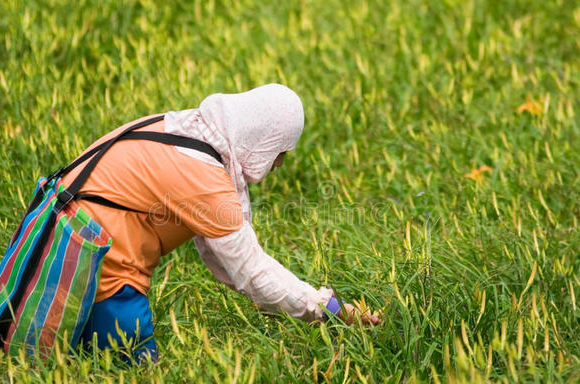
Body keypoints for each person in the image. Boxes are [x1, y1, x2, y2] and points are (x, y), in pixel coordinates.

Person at [64, 84, 380, 362]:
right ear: (261, 137)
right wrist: (331, 310)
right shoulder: (204, 177)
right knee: (135, 377)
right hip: (104, 272)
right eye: (280, 151)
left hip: (69, 247)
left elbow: (228, 263)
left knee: (79, 367)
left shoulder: (190, 132)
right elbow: (253, 274)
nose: (280, 163)